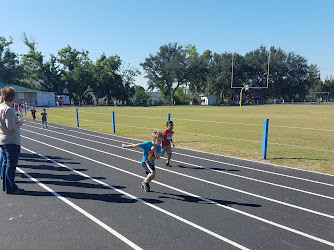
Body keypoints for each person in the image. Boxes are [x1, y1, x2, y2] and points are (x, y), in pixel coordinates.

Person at [0, 86, 25, 194]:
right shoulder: (9, 109)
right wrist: (19, 123)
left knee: (5, 164)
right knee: (11, 165)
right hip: (11, 140)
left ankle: (6, 186)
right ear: (13, 97)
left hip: (3, 139)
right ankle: (11, 187)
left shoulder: (1, 107)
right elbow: (10, 126)